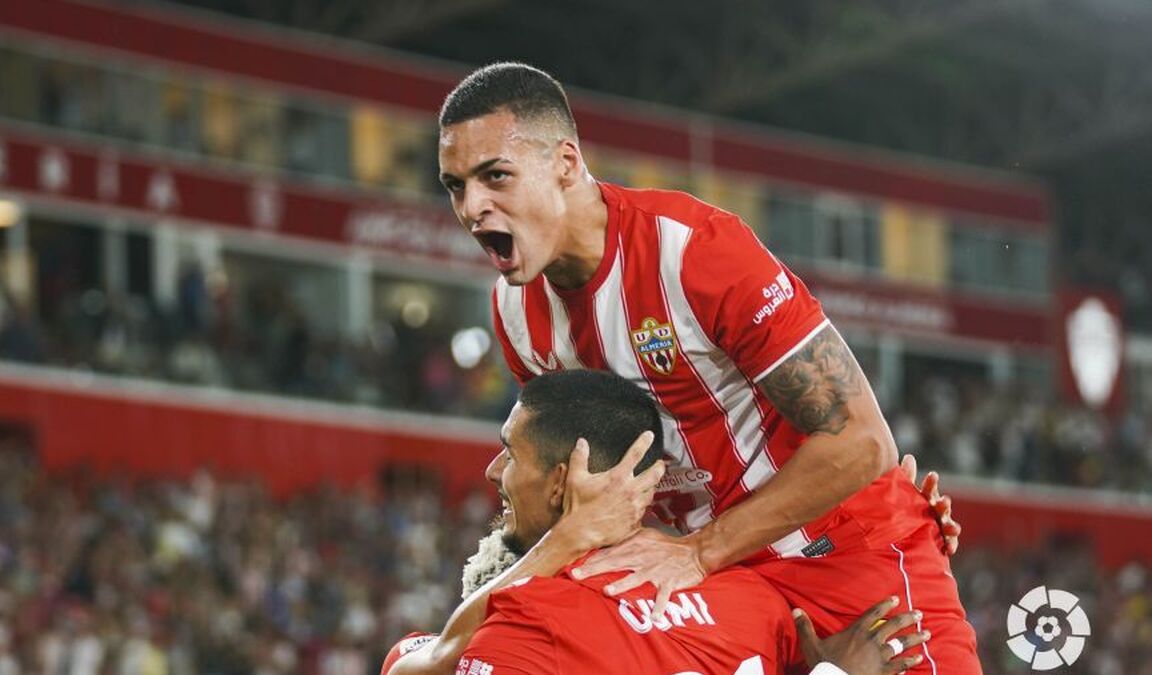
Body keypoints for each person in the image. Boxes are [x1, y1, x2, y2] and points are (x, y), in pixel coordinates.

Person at [434, 62, 975, 674]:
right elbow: (568, 484)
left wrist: (701, 551)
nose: (472, 207)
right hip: (707, 583)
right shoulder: (515, 313)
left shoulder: (693, 251)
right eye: (455, 186)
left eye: (495, 176)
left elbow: (861, 442)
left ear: (564, 163)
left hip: (839, 557)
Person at [388, 370, 930, 675]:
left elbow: (414, 665)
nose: (493, 470)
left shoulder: (528, 625)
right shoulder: (756, 598)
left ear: (562, 481)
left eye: (510, 452)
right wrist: (905, 519)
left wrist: (566, 540)